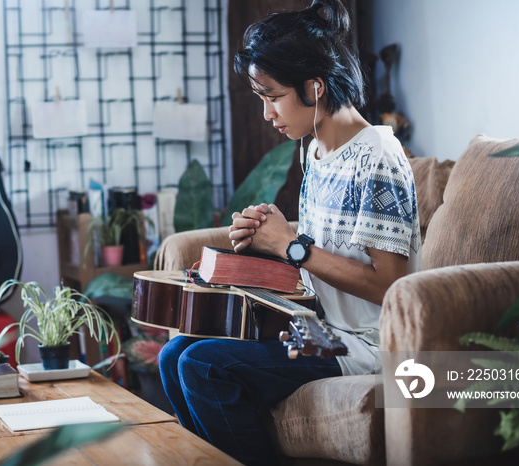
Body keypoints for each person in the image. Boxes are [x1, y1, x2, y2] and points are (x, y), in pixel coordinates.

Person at [158, 1, 422, 464]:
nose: (266, 114)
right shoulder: (314, 151)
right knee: (174, 353)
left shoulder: (377, 155)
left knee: (203, 366)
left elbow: (390, 286)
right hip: (323, 330)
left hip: (369, 346)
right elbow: (314, 258)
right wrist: (264, 238)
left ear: (314, 87)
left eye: (272, 96)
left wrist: (289, 244)